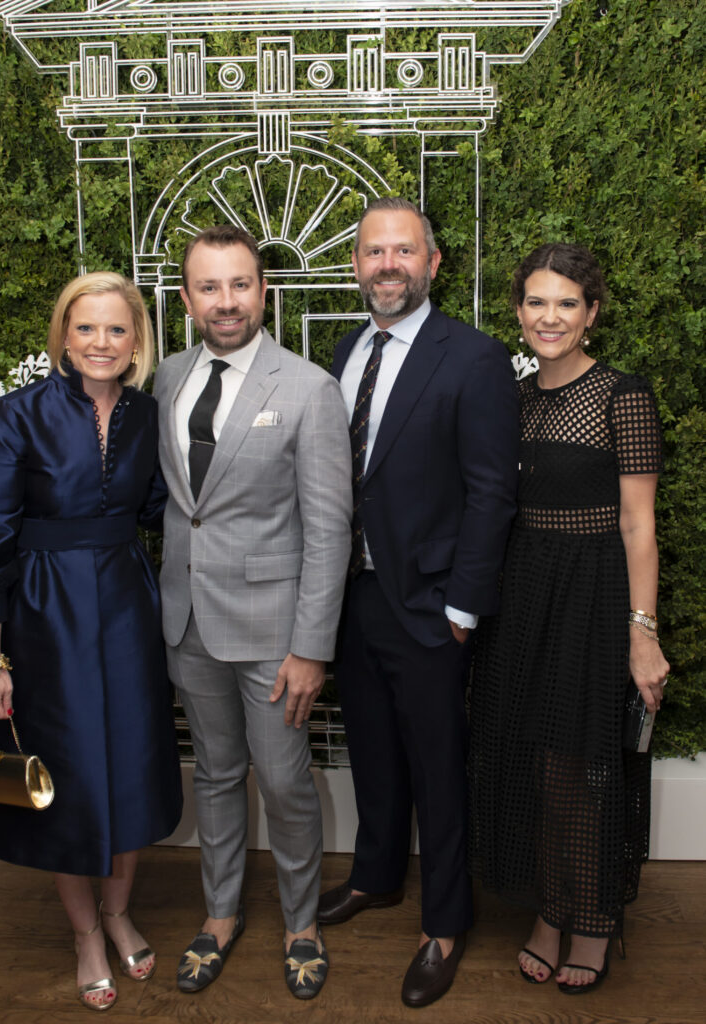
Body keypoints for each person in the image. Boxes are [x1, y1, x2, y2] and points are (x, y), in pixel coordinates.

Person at [0, 272, 183, 1012]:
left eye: (116, 330)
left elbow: (157, 507)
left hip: (126, 606)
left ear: (136, 340)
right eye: (86, 329)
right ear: (63, 336)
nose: (101, 343)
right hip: (45, 617)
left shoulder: (148, 414)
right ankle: (85, 932)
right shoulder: (15, 414)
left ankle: (119, 913)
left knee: (133, 764)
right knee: (69, 773)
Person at [318, 197, 519, 1008]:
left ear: (432, 264)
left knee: (438, 769)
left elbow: (489, 495)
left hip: (432, 605)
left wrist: (462, 608)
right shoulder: (341, 350)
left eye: (403, 251)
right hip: (353, 598)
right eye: (373, 252)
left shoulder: (472, 359)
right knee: (369, 749)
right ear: (357, 266)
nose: (387, 265)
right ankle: (376, 876)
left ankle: (443, 921)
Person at [154, 225, 352, 1000]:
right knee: (213, 777)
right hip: (188, 625)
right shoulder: (166, 377)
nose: (226, 301)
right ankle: (221, 914)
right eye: (209, 287)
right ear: (186, 298)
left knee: (284, 781)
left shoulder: (307, 388)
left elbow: (329, 530)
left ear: (262, 291)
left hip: (275, 634)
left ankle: (301, 924)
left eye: (240, 284)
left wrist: (311, 647)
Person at [469, 243, 669, 994]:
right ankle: (548, 911)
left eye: (565, 303)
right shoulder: (510, 399)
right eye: (535, 302)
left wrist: (640, 629)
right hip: (519, 594)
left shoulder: (622, 395)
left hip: (590, 594)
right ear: (517, 311)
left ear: (590, 313)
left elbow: (638, 525)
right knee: (522, 754)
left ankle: (590, 919)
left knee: (577, 763)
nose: (548, 317)